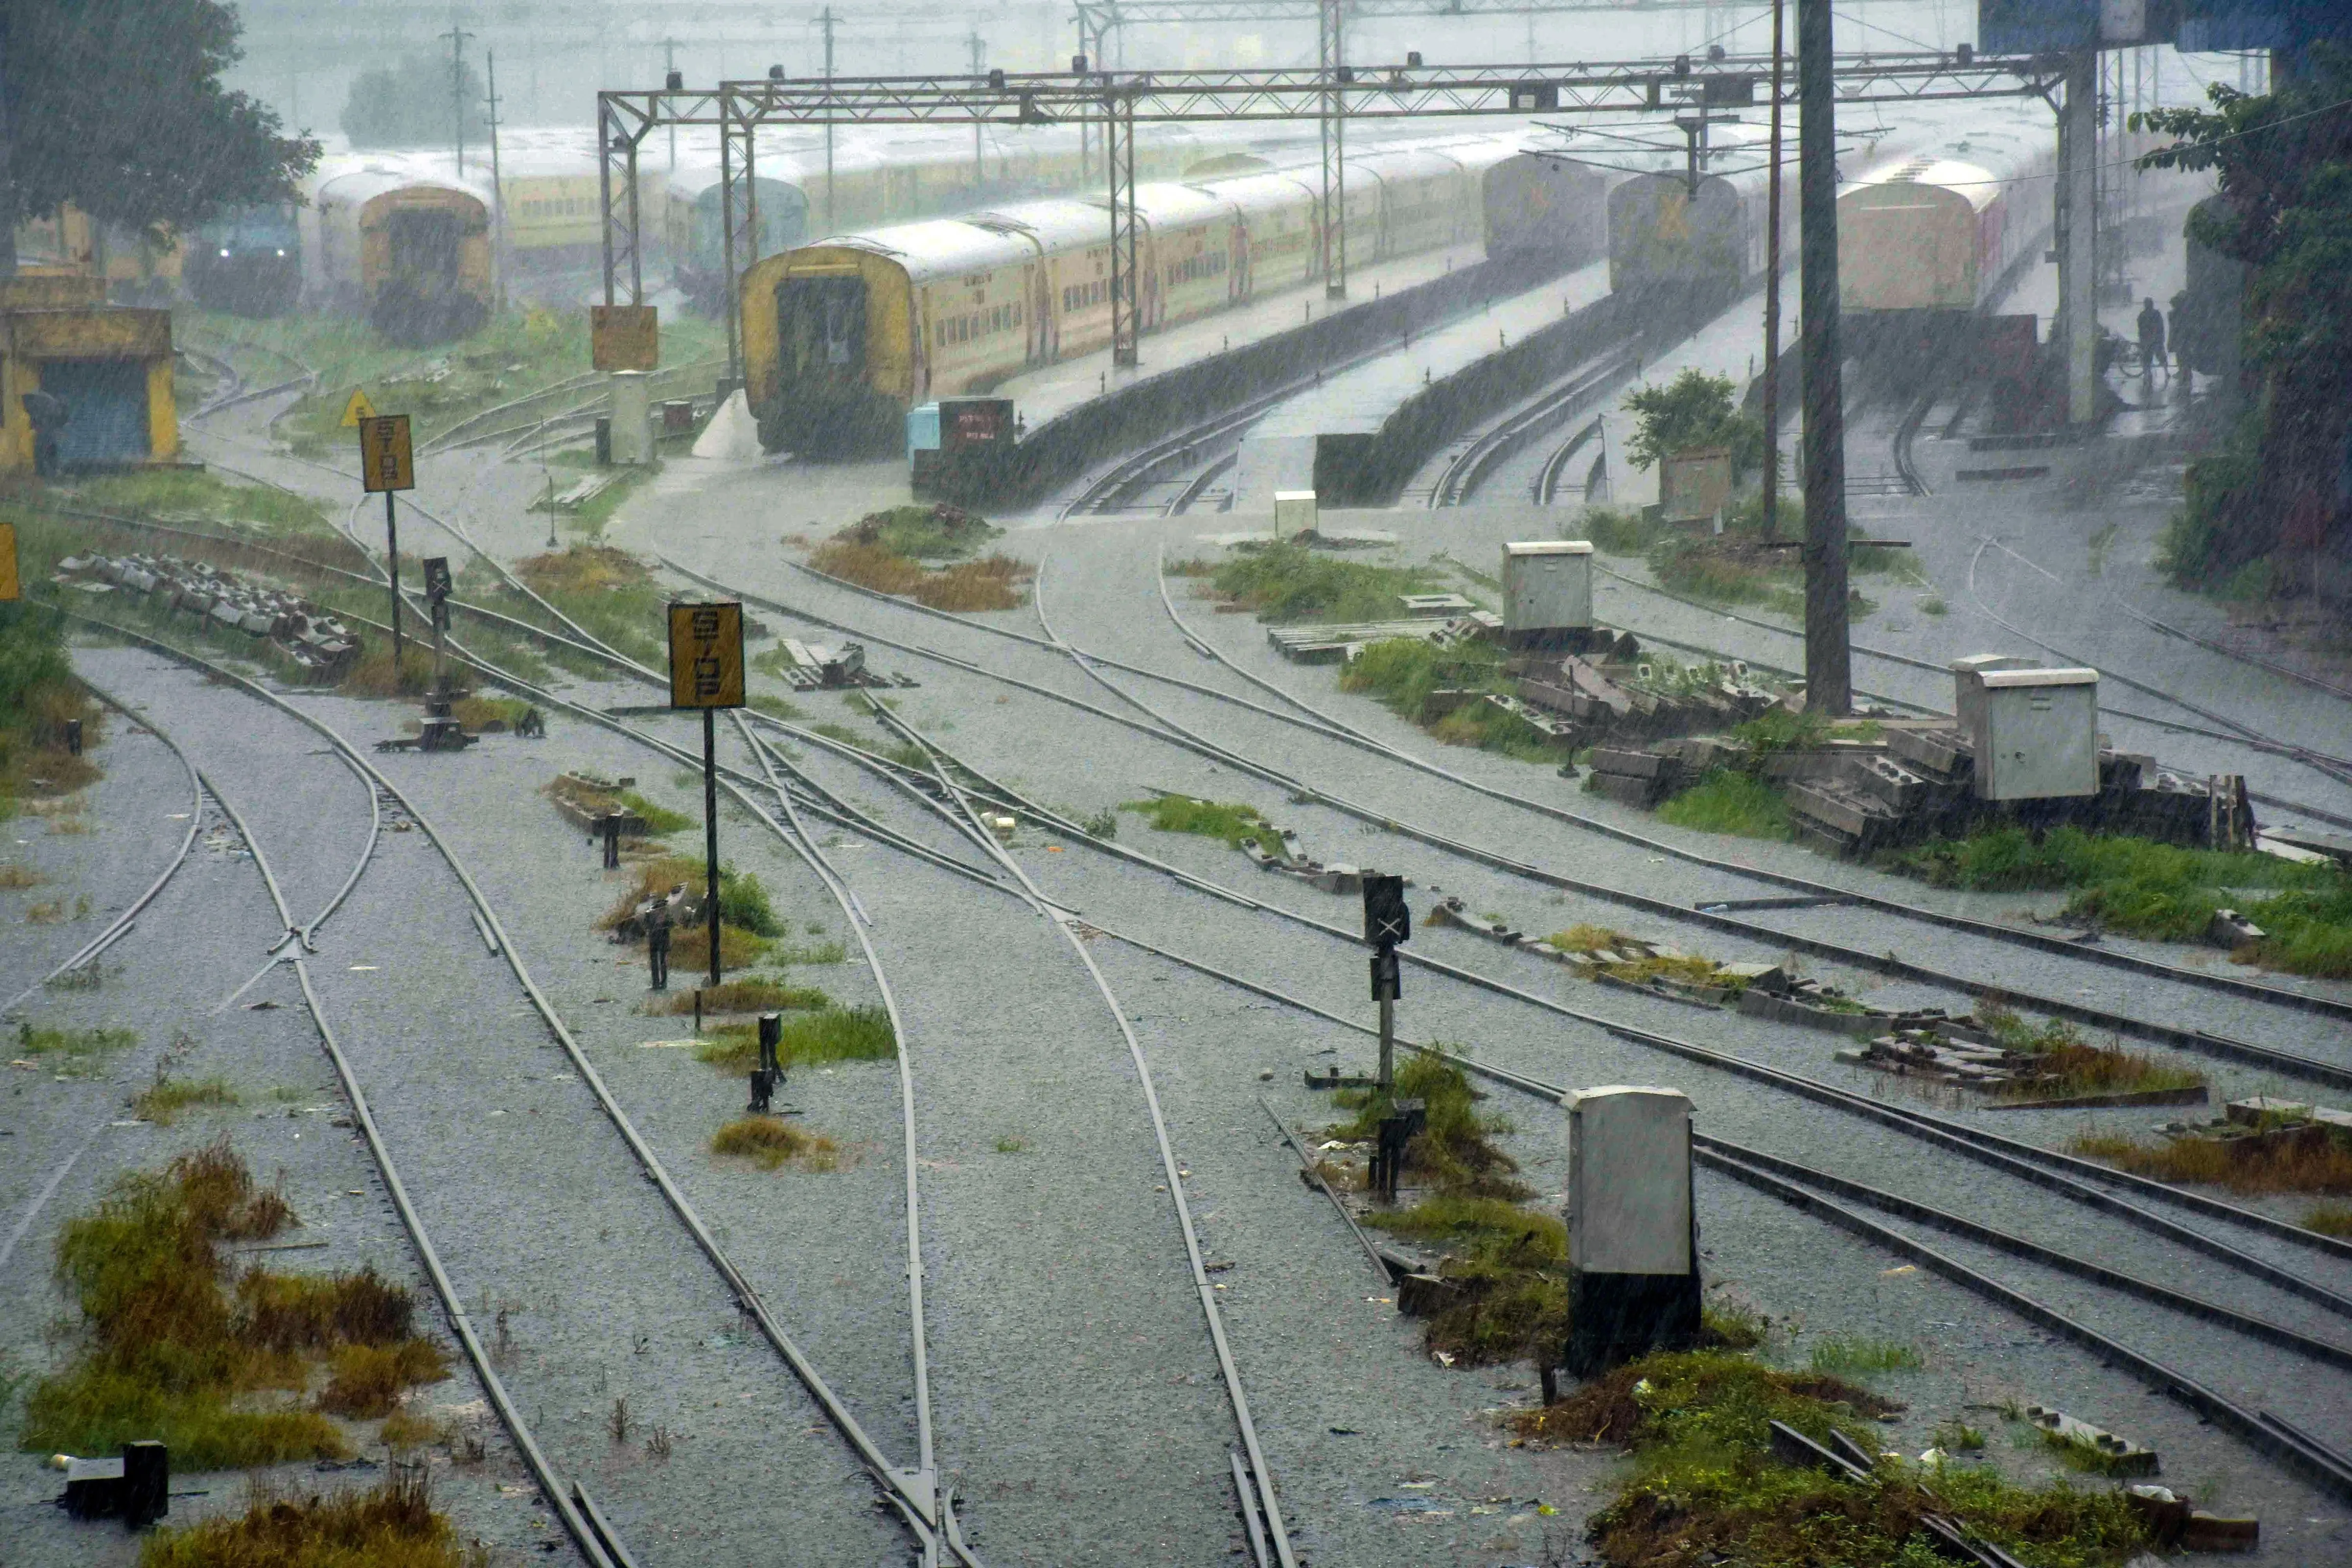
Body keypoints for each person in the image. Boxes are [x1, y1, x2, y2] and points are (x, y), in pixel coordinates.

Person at [22, 388, 67, 477]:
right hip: (45, 436)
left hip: (45, 436)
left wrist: (38, 425)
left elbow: (54, 423)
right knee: (45, 452)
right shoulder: (42, 411)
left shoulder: (45, 411)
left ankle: (48, 471)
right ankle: (49, 470)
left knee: (43, 452)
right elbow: (35, 424)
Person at [2136, 297, 2167, 385]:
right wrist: (2160, 337)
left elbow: (2141, 328)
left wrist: (2144, 338)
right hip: (2155, 340)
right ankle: (2166, 372)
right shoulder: (2156, 314)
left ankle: (2148, 373)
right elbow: (2160, 327)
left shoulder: (2143, 315)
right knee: (2160, 357)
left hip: (2148, 340)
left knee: (2147, 358)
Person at [646, 903, 671, 992]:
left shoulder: (667, 917)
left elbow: (671, 925)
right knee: (655, 964)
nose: (661, 913)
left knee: (663, 963)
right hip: (654, 941)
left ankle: (663, 984)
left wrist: (663, 922)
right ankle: (656, 984)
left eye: (662, 911)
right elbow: (647, 927)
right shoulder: (650, 915)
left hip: (662, 942)